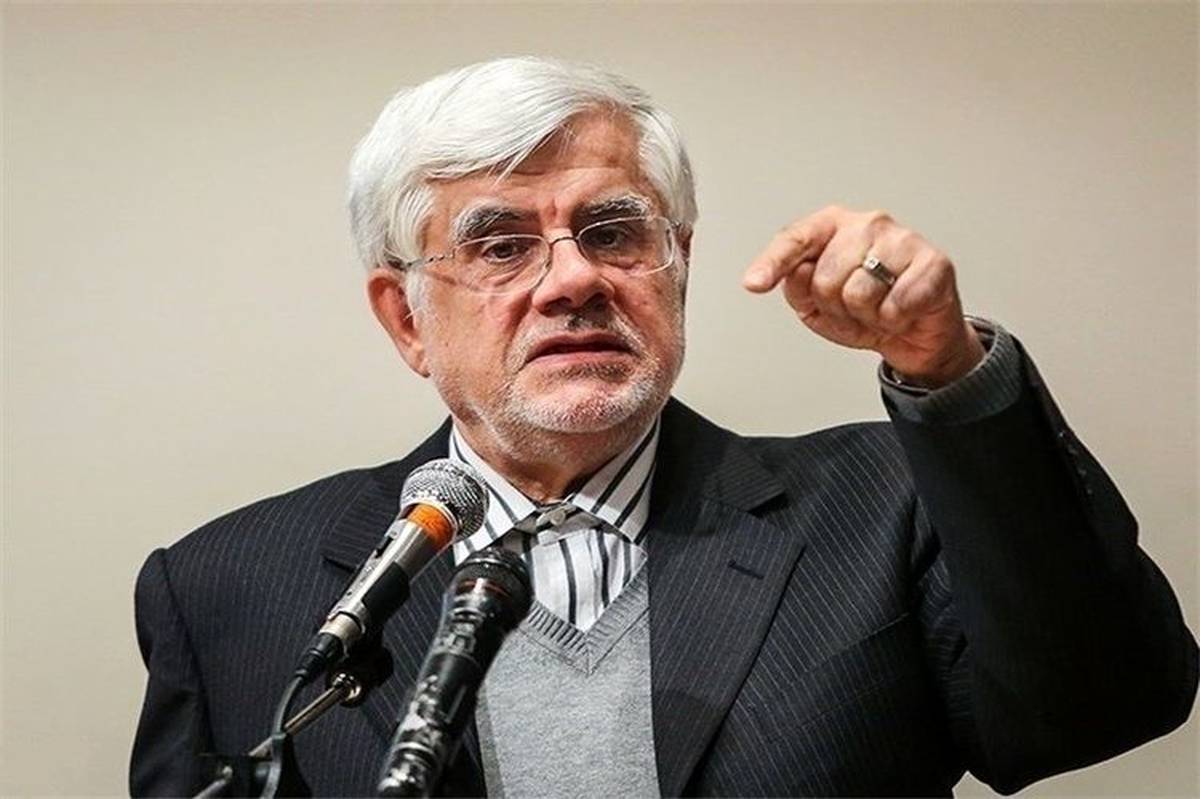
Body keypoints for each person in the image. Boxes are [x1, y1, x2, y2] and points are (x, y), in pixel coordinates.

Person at [130, 56, 1197, 797]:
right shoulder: (230, 587)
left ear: (678, 265)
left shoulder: (877, 509)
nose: (573, 279)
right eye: (501, 246)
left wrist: (948, 367)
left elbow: (1106, 704)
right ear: (406, 317)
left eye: (614, 231)